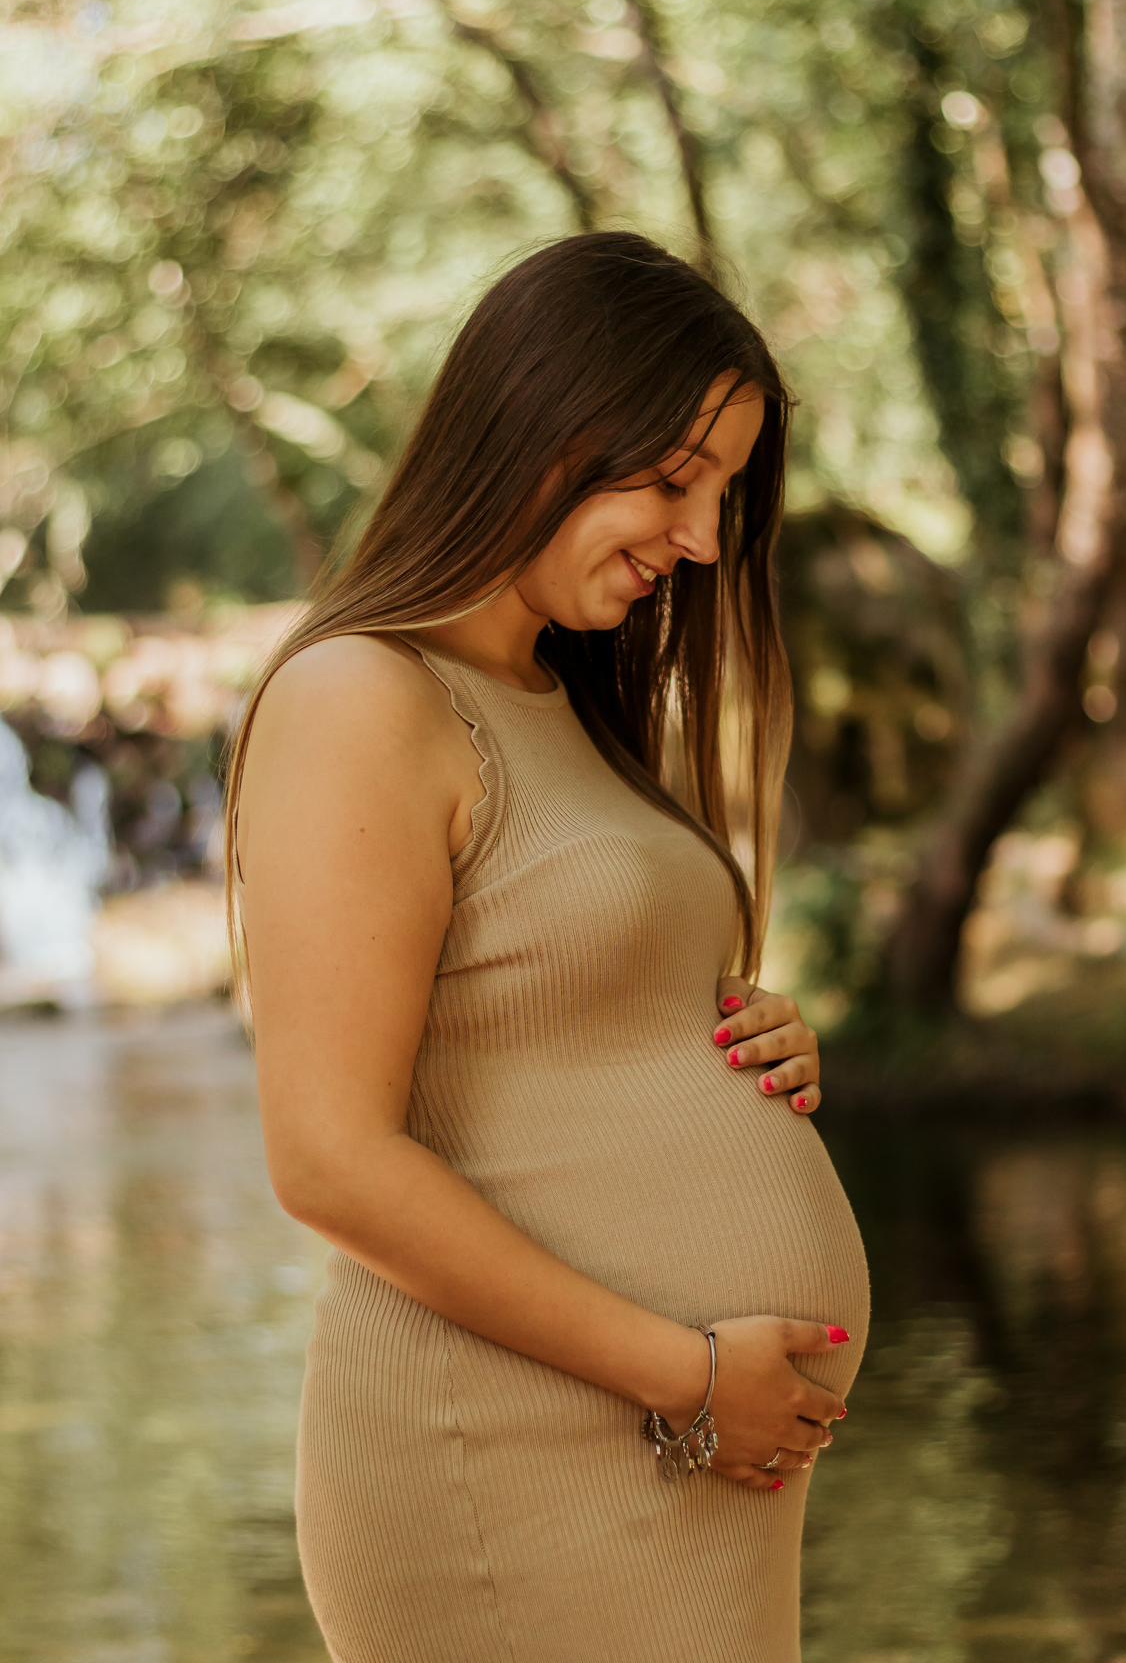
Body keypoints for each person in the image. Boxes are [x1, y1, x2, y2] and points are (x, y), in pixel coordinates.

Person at [227, 232, 870, 1663]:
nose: (702, 539)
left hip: (667, 1452)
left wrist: (744, 1042)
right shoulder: (362, 698)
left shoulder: (559, 699)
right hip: (519, 1453)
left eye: (721, 496)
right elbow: (327, 1157)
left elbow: (560, 1018)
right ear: (538, 425)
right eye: (669, 480)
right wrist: (693, 1374)